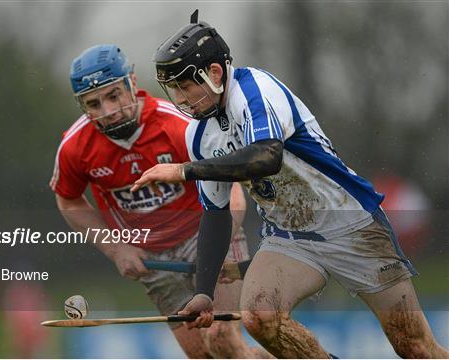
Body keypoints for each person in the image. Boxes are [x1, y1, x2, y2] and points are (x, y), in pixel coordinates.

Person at [132, 11, 449, 359]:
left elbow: (267, 156)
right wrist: (204, 293)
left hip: (352, 224)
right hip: (290, 237)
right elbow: (215, 215)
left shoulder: (254, 90)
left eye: (184, 86)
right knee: (259, 316)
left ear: (215, 73)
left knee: (416, 348)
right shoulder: (198, 135)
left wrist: (185, 171)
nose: (178, 99)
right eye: (172, 89)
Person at [50, 44, 271, 358]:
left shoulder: (178, 125)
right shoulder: (74, 147)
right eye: (93, 103)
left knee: (222, 339)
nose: (107, 110)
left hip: (205, 234)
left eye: (114, 96)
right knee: (203, 354)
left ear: (132, 83)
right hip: (152, 256)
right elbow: (69, 200)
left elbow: (232, 188)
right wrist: (117, 249)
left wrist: (219, 245)